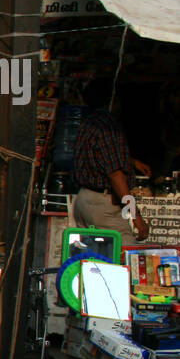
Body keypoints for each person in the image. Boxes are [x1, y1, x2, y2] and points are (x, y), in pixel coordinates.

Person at [72, 79, 150, 243]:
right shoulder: (109, 127)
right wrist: (135, 215)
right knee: (126, 255)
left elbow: (99, 155)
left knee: (95, 257)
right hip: (102, 205)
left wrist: (132, 162)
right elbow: (115, 175)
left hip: (84, 198)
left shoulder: (89, 122)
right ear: (113, 99)